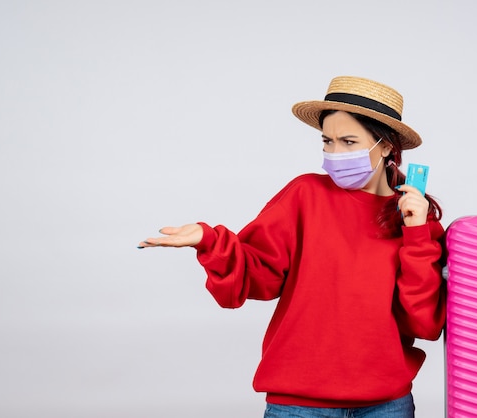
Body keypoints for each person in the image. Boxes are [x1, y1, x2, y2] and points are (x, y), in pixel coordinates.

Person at [138, 76, 446, 418]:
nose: (334, 154)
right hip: (299, 405)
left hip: (386, 405)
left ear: (386, 146)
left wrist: (417, 234)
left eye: (348, 141)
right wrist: (210, 240)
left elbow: (424, 323)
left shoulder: (415, 218)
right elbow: (258, 274)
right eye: (327, 141)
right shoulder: (305, 195)